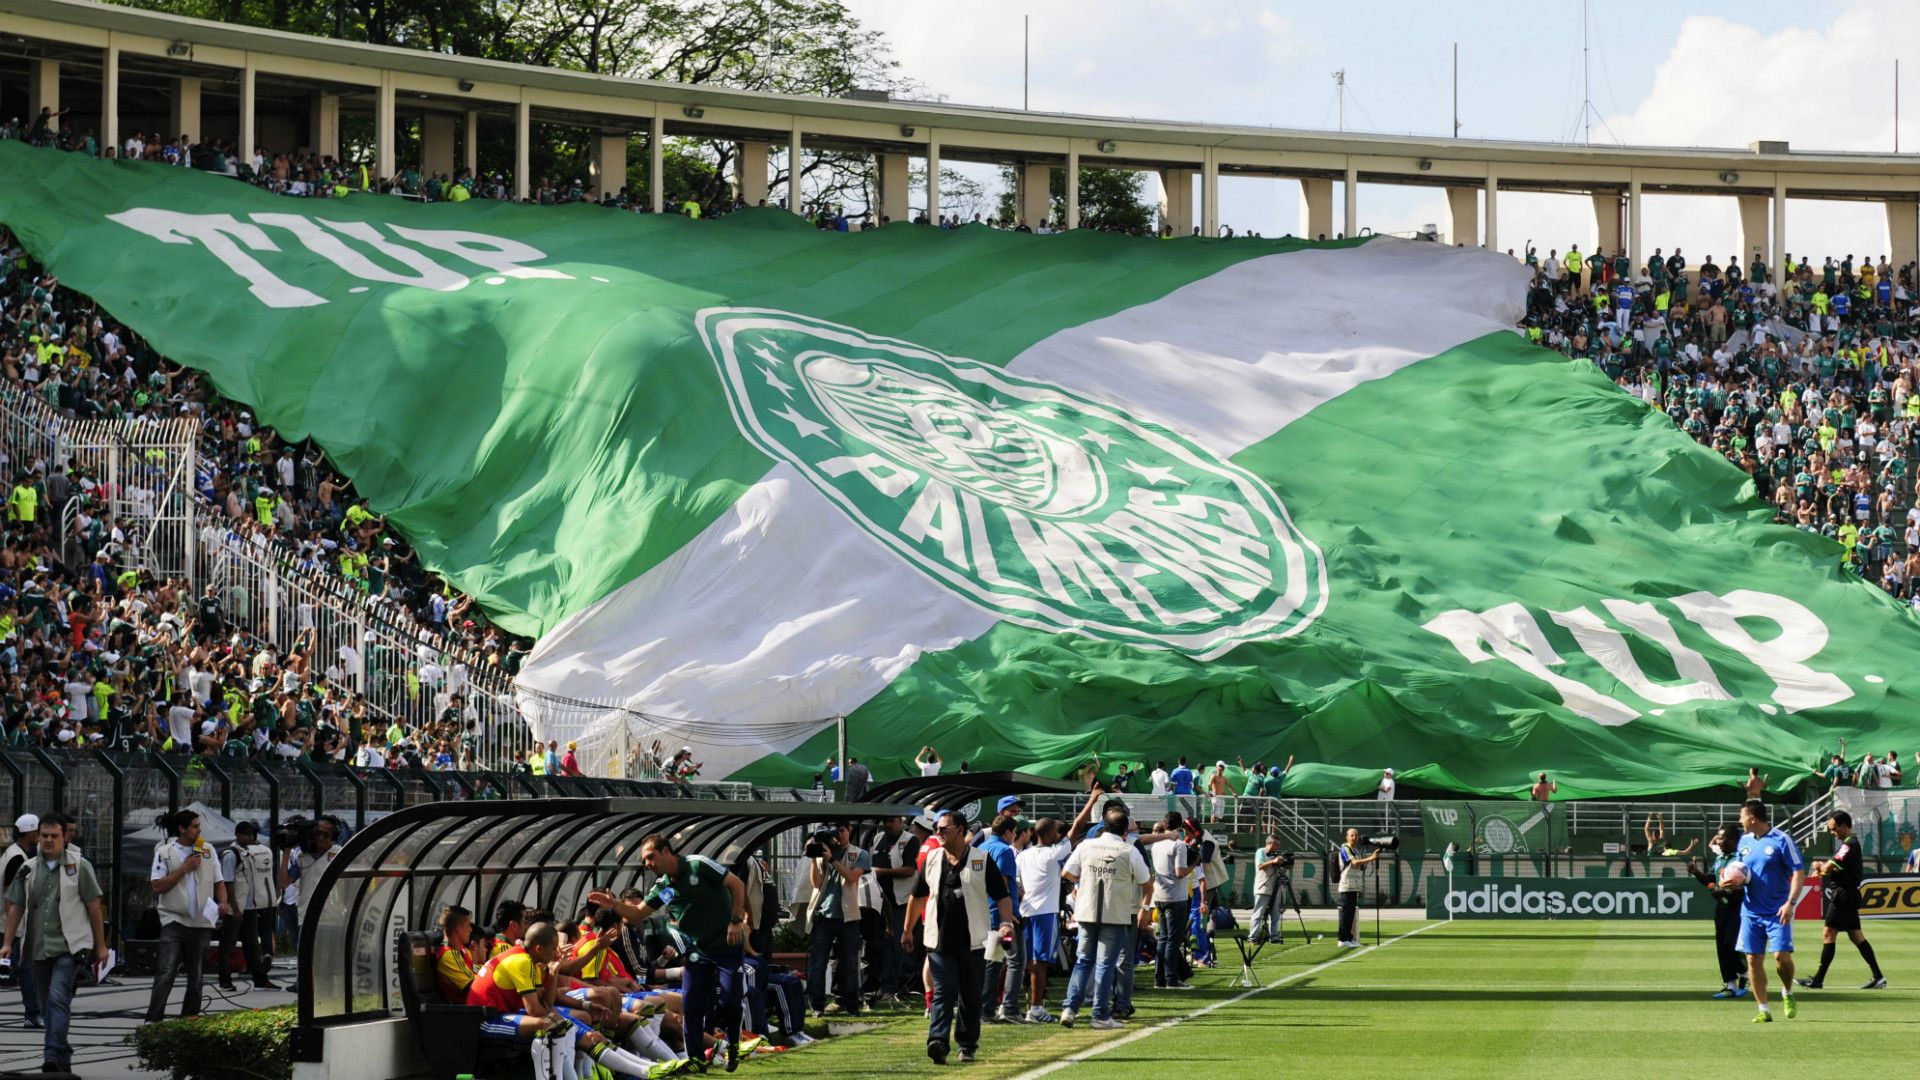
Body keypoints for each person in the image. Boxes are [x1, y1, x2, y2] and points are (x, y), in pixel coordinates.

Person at [590, 832, 750, 1070]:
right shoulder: (665, 887)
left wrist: (736, 921)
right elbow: (638, 913)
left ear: (667, 851)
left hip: (727, 946)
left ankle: (733, 1046)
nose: (648, 864)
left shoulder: (697, 865)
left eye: (651, 857)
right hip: (697, 951)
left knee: (730, 1001)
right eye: (644, 861)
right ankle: (696, 1058)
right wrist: (615, 905)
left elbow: (736, 884)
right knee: (693, 1004)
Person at [900, 809, 1015, 1065]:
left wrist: (1006, 922)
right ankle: (937, 1041)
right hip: (938, 941)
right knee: (943, 991)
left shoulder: (982, 860)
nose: (938, 834)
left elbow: (1002, 895)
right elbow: (917, 895)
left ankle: (967, 1044)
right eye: (936, 830)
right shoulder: (931, 858)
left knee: (970, 995)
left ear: (961, 830)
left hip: (973, 941)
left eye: (944, 829)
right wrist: (907, 929)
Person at [0, 814, 106, 1075]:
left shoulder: (79, 866)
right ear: (38, 836)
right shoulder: (28, 868)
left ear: (63, 838)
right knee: (48, 1003)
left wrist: (101, 947)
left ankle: (51, 1055)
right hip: (38, 947)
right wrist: (6, 943)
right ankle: (63, 1053)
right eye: (44, 835)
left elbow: (94, 907)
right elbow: (15, 906)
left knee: (59, 997)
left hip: (70, 947)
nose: (48, 840)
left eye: (54, 836)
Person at [1057, 803, 1152, 1029]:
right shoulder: (1129, 851)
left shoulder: (1086, 845)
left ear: (1104, 826)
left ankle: (1070, 1008)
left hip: (1087, 911)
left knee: (1083, 961)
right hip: (1114, 913)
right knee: (1105, 964)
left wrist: (1087, 878)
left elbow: (1067, 873)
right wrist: (1144, 908)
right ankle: (1099, 1014)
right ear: (1125, 831)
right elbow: (1146, 881)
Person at [1013, 796, 1094, 1023]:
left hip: (1026, 911)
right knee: (1041, 962)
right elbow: (1077, 826)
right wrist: (1092, 801)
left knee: (1030, 962)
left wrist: (1025, 897)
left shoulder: (1023, 855)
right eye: (1056, 833)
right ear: (1049, 835)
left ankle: (1032, 1005)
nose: (1059, 836)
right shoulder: (1052, 854)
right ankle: (1036, 1008)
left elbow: (1016, 884)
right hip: (1044, 913)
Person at [147, 808, 227, 1022]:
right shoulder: (164, 852)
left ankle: (189, 1020)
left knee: (197, 976)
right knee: (166, 973)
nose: (198, 830)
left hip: (201, 921)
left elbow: (219, 880)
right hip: (174, 919)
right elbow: (157, 886)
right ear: (182, 829)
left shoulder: (207, 849)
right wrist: (183, 869)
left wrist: (223, 901)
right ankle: (153, 1020)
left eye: (199, 826)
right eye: (194, 826)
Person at [1797, 810, 1887, 990]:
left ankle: (1818, 980)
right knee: (1856, 936)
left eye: (1833, 829)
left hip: (1844, 895)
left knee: (1828, 934)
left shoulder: (1849, 844)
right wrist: (1823, 868)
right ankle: (1878, 977)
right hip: (1849, 895)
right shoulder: (1849, 844)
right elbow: (1834, 864)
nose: (1832, 833)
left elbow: (1830, 866)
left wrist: (1819, 866)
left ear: (1844, 826)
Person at [1734, 798, 1805, 1022]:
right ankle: (1763, 1009)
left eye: (1742, 816)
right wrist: (1731, 881)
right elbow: (1738, 870)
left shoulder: (1781, 840)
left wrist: (1790, 903)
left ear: (1753, 818)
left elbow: (1798, 873)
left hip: (1777, 911)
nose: (1740, 821)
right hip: (1750, 912)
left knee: (1781, 957)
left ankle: (1787, 991)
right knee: (1753, 960)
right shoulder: (1743, 841)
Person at [803, 824, 868, 1017]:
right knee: (818, 963)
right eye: (834, 831)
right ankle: (817, 1006)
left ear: (849, 830)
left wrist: (832, 859)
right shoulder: (823, 852)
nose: (838, 835)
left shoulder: (859, 853)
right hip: (824, 915)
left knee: (850, 963)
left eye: (841, 830)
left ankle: (852, 1005)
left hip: (848, 917)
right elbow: (816, 883)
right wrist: (815, 857)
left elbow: (851, 877)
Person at [1686, 825, 1748, 999]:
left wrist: (1727, 891)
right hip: (1722, 908)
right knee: (1721, 946)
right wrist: (1696, 872)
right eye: (1718, 838)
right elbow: (1710, 881)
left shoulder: (1741, 859)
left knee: (1731, 943)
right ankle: (1730, 984)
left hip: (1738, 907)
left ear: (1734, 840)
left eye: (1722, 838)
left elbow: (1746, 885)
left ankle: (1745, 972)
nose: (1718, 842)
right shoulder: (1720, 859)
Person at [218, 820, 280, 991]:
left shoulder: (247, 853)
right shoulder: (231, 854)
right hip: (236, 909)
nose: (249, 838)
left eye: (251, 835)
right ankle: (224, 979)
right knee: (228, 945)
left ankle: (260, 978)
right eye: (246, 834)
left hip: (250, 907)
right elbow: (228, 882)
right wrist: (235, 908)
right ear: (238, 835)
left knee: (252, 945)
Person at [1, 813, 43, 1029]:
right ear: (31, 833)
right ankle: (32, 1013)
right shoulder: (18, 858)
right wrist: (13, 926)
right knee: (25, 969)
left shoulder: (13, 853)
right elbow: (11, 894)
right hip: (12, 927)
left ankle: (33, 1012)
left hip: (9, 926)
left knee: (22, 969)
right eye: (39, 833)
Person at [1148, 811, 1194, 989]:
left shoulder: (1156, 844)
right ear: (1180, 826)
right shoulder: (1179, 844)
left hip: (1159, 895)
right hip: (1175, 896)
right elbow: (1180, 872)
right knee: (1173, 940)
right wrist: (1193, 864)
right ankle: (1171, 978)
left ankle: (1160, 979)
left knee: (1163, 938)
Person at [1336, 828, 1379, 948]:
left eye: (1356, 835)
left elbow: (1359, 869)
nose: (1354, 837)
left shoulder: (1355, 850)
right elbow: (1354, 863)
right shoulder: (1345, 849)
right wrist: (1372, 858)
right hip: (1347, 885)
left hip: (1354, 885)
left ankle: (1349, 938)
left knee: (1351, 914)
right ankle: (1342, 939)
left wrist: (1360, 888)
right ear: (1347, 837)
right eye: (1352, 835)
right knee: (1346, 914)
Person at [1248, 834, 1288, 944]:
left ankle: (1274, 937)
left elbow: (1279, 870)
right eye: (1276, 844)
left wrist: (1283, 867)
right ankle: (1252, 937)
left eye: (1279, 845)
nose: (1278, 847)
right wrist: (1273, 861)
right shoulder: (1261, 851)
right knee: (1258, 913)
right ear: (1269, 843)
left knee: (1275, 914)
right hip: (1263, 887)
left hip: (1275, 888)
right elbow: (1260, 866)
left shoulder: (1277, 855)